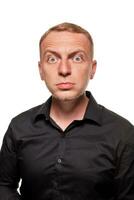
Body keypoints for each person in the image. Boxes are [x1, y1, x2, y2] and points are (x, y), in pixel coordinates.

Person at [0, 22, 134, 200]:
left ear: (92, 69)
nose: (64, 70)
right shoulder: (19, 127)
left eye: (77, 58)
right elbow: (3, 185)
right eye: (52, 59)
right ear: (41, 70)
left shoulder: (122, 133)